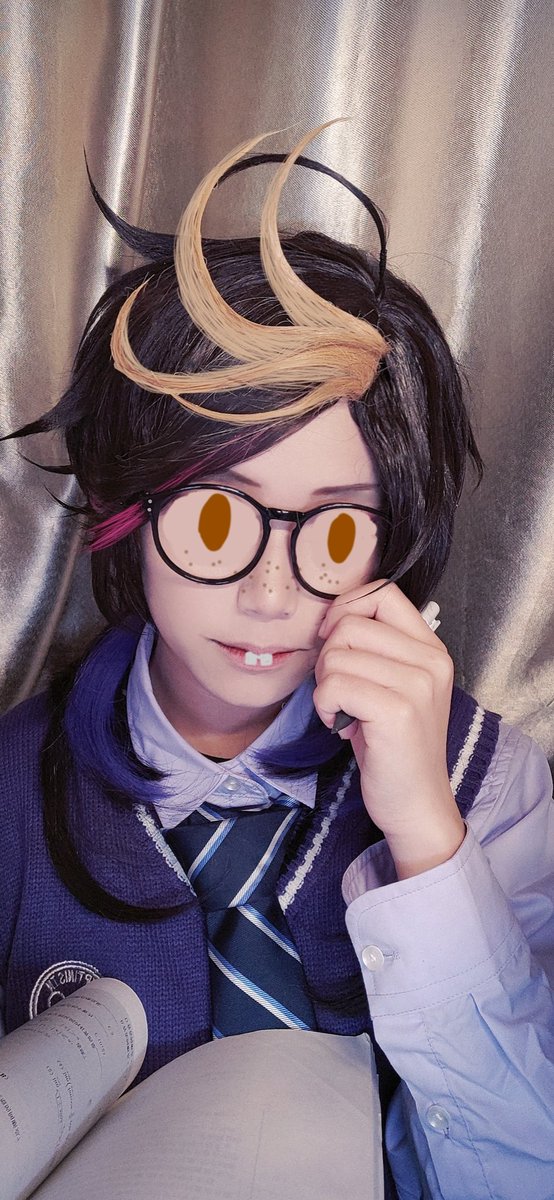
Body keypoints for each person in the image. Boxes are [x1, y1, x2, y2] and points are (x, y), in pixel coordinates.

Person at [1, 122, 552, 1200]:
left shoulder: (493, 791)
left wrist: (426, 838)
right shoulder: (14, 788)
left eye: (334, 530)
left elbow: (527, 1169)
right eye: (217, 518)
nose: (270, 592)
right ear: (123, 512)